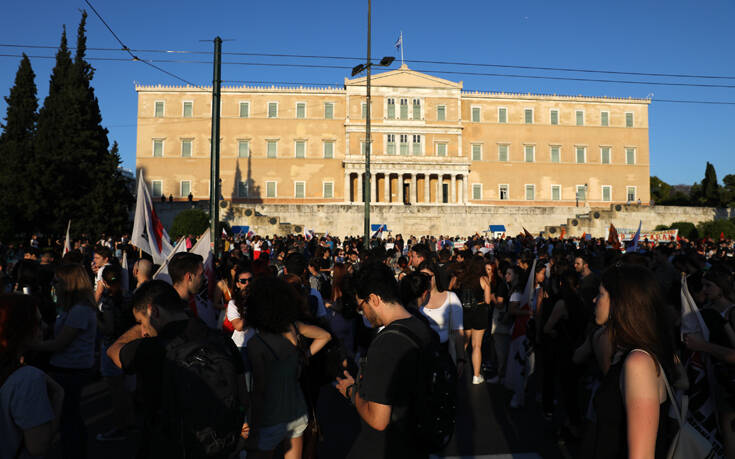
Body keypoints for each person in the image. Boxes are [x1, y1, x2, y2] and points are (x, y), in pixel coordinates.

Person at [107, 280, 249, 458]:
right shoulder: (222, 340)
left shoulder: (153, 348)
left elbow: (113, 351)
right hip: (220, 446)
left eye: (141, 322)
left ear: (154, 311)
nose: (143, 331)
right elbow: (242, 394)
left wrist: (139, 328)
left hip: (169, 448)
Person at [335, 262, 434, 459]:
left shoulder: (385, 344)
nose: (362, 313)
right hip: (418, 441)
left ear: (373, 299)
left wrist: (351, 391)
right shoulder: (422, 326)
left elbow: (378, 420)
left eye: (361, 307)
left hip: (390, 447)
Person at [585, 263, 675, 458]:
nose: (594, 300)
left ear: (619, 302)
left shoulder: (638, 362)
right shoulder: (627, 354)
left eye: (600, 294)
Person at [246, 276, 331, 459]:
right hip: (297, 409)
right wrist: (304, 355)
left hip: (270, 416)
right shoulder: (294, 327)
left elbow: (259, 390)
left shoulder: (256, 343)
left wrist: (253, 427)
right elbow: (325, 336)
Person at [30, 263, 97, 459]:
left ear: (69, 283)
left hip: (71, 369)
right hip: (69, 367)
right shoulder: (75, 308)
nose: (54, 285)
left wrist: (30, 344)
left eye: (58, 281)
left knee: (69, 419)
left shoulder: (80, 310)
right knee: (70, 417)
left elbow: (60, 343)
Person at [0, 294, 64, 459]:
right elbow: (38, 446)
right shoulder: (27, 378)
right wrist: (58, 396)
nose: (43, 327)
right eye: (37, 322)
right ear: (19, 328)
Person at [95, 265, 136, 442]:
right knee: (127, 390)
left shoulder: (107, 300)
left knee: (116, 391)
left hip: (111, 348)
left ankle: (121, 426)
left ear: (103, 282)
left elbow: (108, 328)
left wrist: (96, 319)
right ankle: (130, 423)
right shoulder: (129, 296)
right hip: (130, 344)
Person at [419, 262, 465, 379]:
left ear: (436, 276)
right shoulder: (415, 300)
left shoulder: (451, 298)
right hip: (420, 357)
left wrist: (461, 359)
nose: (426, 281)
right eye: (422, 277)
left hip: (444, 354)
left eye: (429, 277)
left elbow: (458, 332)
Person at [454, 256, 491, 384]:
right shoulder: (483, 279)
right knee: (477, 345)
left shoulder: (464, 278)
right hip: (479, 312)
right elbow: (487, 300)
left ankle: (457, 369)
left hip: (466, 312)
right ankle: (476, 375)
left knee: (464, 342)